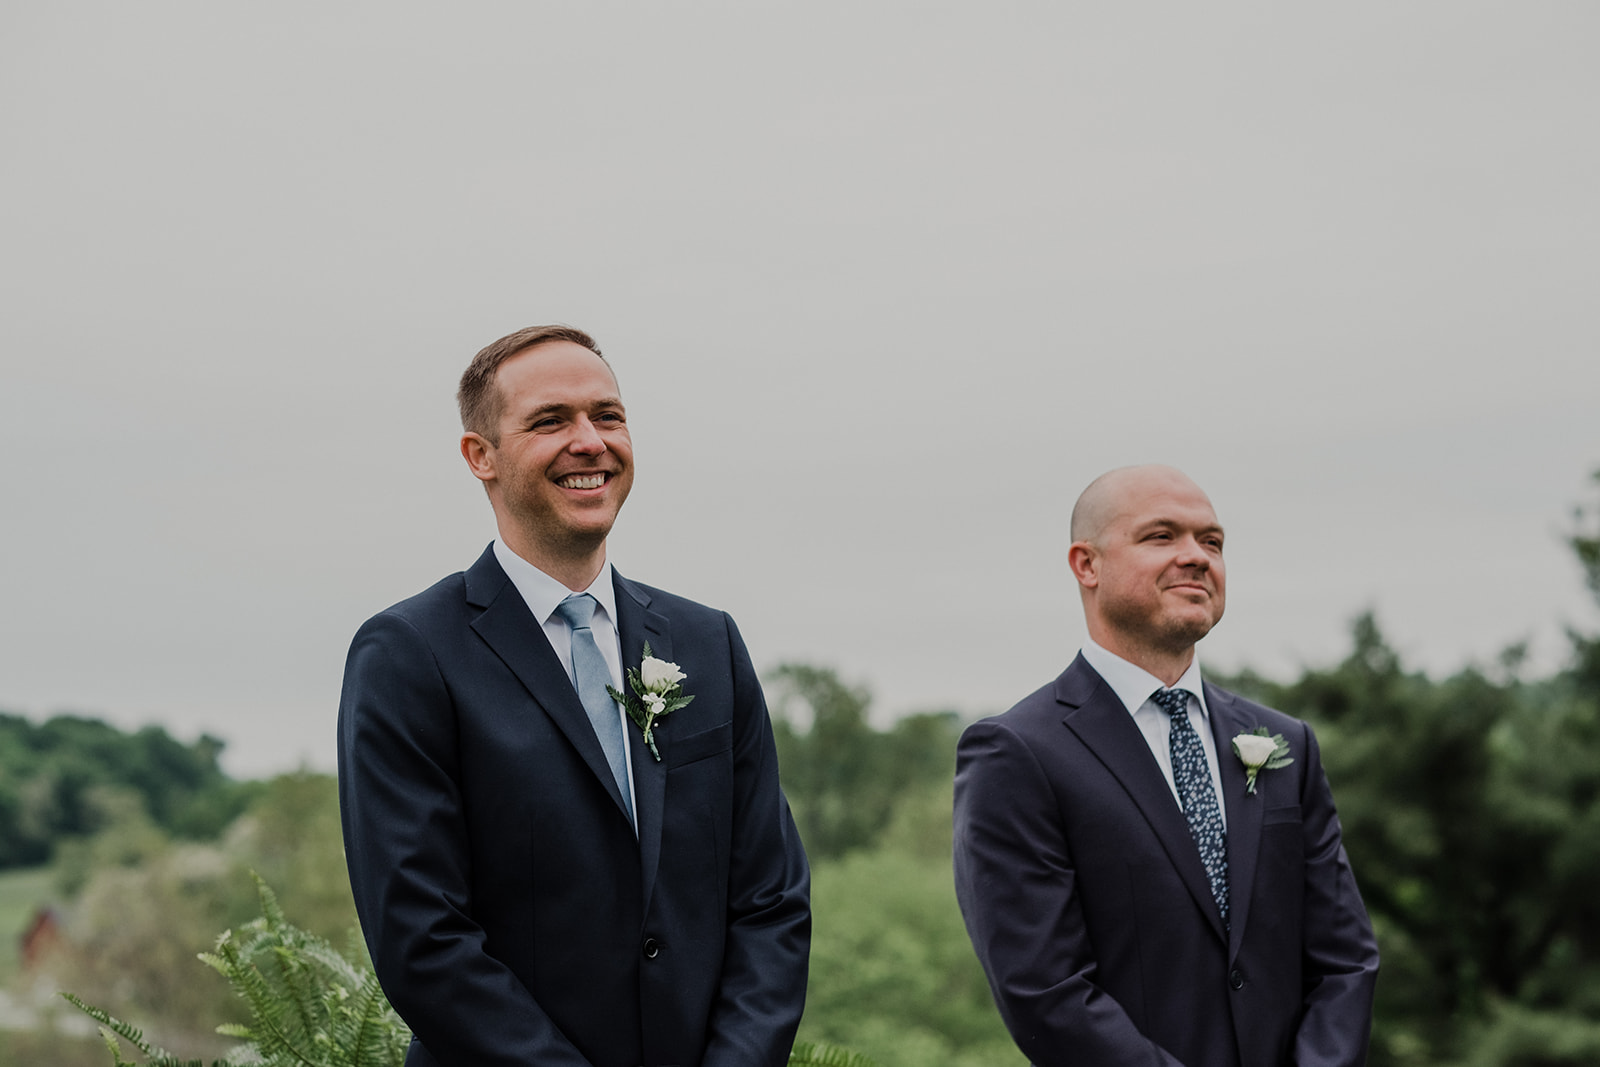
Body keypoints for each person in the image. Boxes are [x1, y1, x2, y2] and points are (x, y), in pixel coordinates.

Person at [338, 325, 810, 1067]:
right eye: (551, 420)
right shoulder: (409, 654)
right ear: (480, 456)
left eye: (608, 415)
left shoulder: (708, 643)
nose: (589, 441)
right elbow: (422, 938)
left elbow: (770, 902)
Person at [952, 464, 1379, 1067]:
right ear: (1087, 565)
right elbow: (1046, 992)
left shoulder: (1286, 743)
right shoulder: (1017, 753)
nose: (1197, 556)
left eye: (1212, 541)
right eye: (1161, 536)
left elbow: (1346, 960)